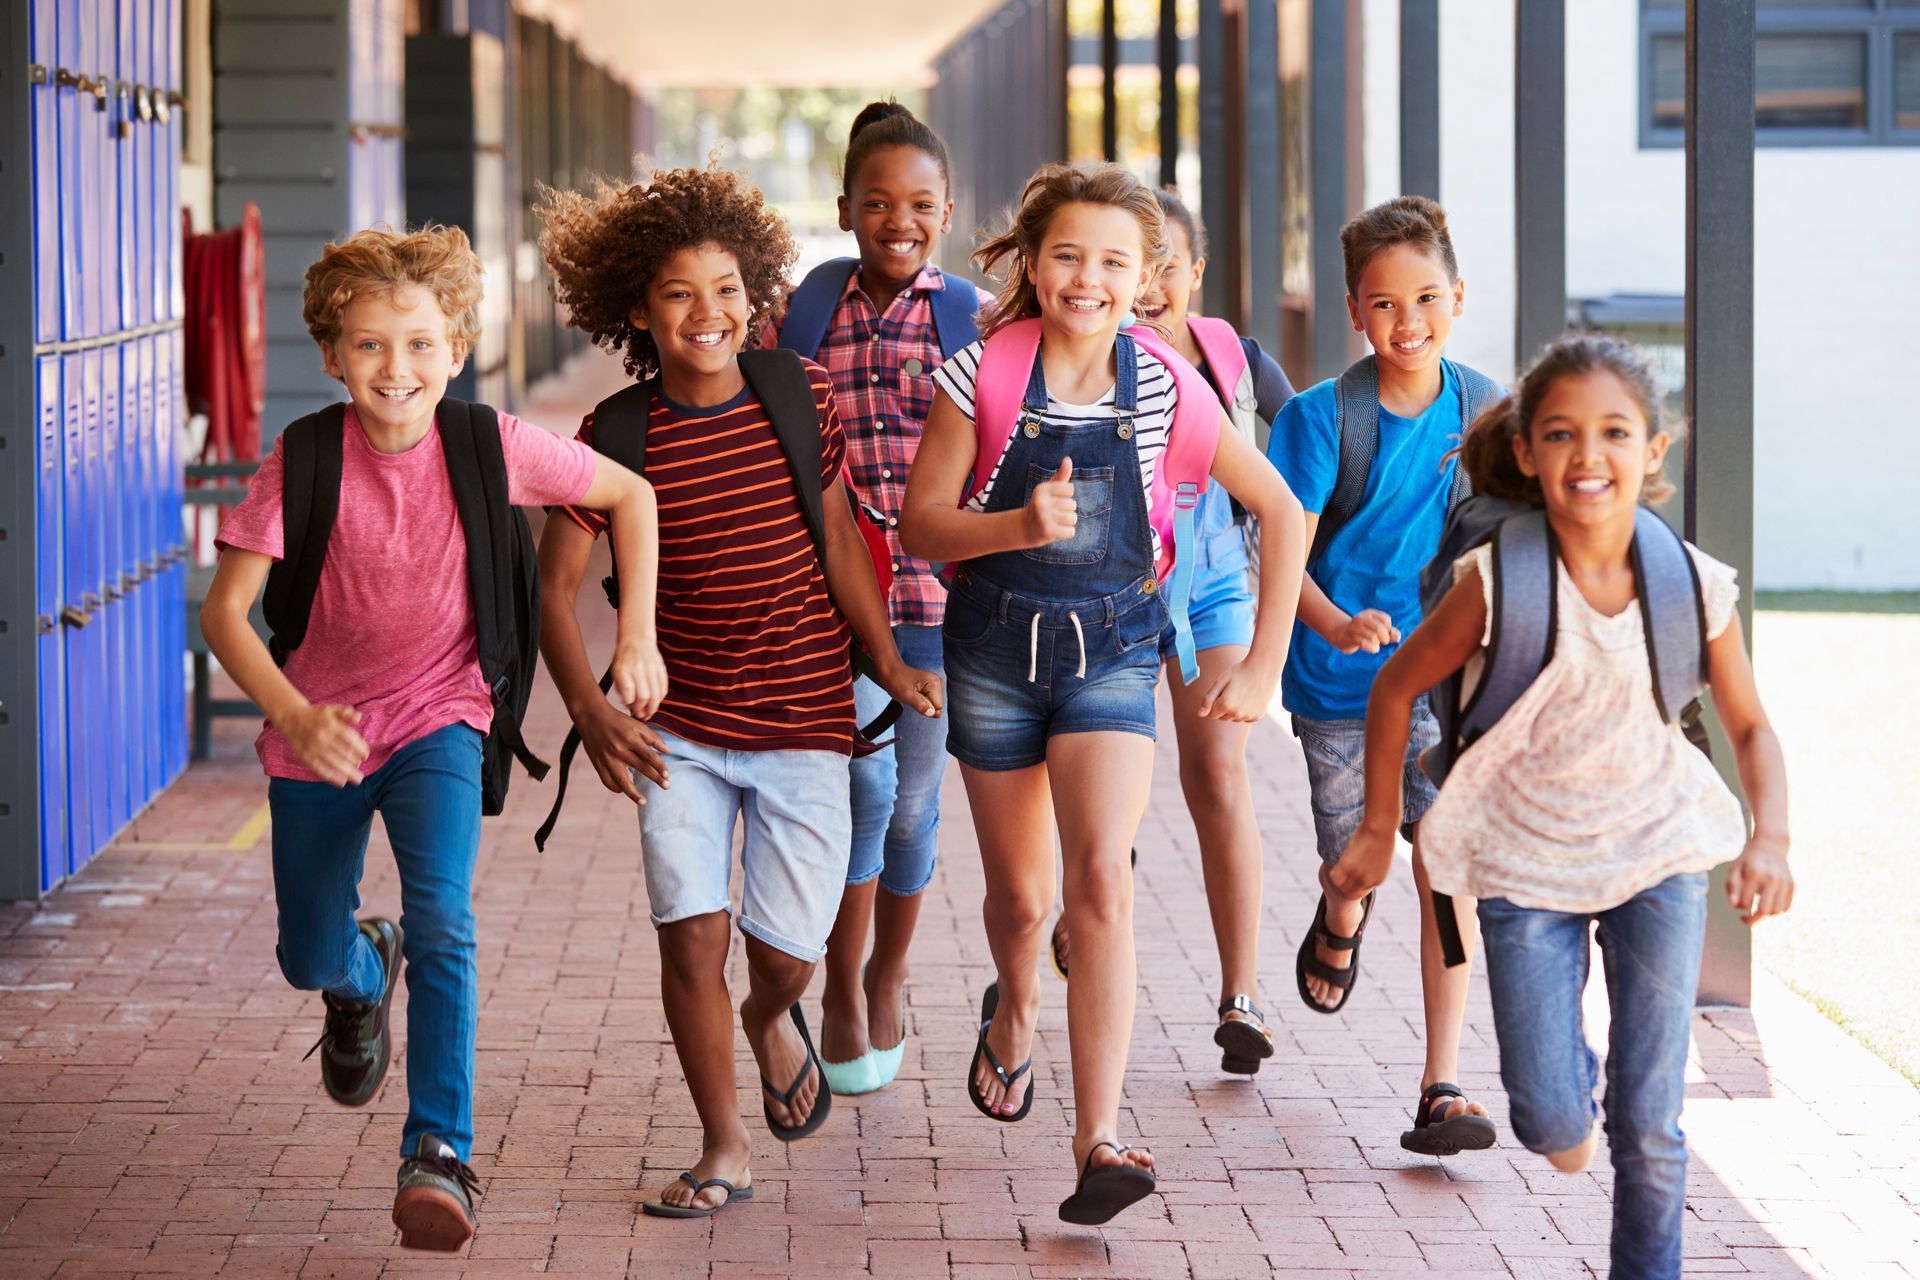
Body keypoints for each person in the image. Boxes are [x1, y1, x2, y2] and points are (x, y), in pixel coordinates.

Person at [200, 225, 665, 1250]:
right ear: (331, 354)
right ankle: (361, 966)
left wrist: (636, 632)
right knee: (305, 951)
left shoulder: (487, 443)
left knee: (445, 917)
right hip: (318, 731)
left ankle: (440, 1149)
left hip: (440, 713)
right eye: (368, 346)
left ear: (457, 346)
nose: (395, 368)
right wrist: (292, 713)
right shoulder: (307, 456)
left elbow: (629, 495)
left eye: (418, 344)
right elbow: (226, 612)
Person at [1329, 333, 1793, 1279]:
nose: (1590, 457)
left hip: (1657, 856)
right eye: (1563, 435)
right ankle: (1565, 1093)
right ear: (1530, 452)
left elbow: (1749, 726)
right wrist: (1378, 829)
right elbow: (1393, 690)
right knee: (1548, 1116)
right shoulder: (1498, 580)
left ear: (1655, 450)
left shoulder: (1692, 585)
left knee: (1650, 1123)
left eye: (1616, 433)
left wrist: (1772, 836)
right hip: (1523, 864)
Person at [900, 161, 1305, 1225]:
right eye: (1070, 255)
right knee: (1026, 902)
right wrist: (1016, 528)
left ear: (1147, 277)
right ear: (1033, 264)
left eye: (1115, 262)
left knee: (1102, 885)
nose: (1090, 278)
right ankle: (1016, 1006)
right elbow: (923, 526)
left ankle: (1098, 1136)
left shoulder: (1167, 383)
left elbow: (1283, 507)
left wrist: (1263, 664)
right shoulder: (979, 374)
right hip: (991, 650)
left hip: (1117, 646)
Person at [535, 165, 942, 1220]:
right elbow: (553, 588)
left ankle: (773, 1014)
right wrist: (588, 706)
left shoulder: (794, 394)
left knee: (783, 957)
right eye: (677, 293)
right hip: (678, 728)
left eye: (724, 289)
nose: (705, 313)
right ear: (637, 307)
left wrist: (887, 660)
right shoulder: (616, 436)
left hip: (806, 714)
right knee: (689, 934)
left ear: (754, 295)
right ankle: (723, 1144)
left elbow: (844, 537)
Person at [1263, 195, 1503, 1156]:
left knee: (1446, 873)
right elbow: (1279, 550)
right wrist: (1334, 621)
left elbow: (1507, 539)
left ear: (1458, 297)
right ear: (1355, 312)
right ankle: (1337, 914)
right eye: (1384, 305)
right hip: (1337, 689)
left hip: (1444, 688)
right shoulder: (1326, 420)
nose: (1409, 324)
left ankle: (1442, 1084)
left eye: (1427, 299)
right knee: (1354, 862)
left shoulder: (1488, 413)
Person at [1048, 188, 1296, 1077]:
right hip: (1108, 586)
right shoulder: (1090, 357)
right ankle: (1089, 899)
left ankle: (1242, 992)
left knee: (1218, 769)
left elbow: (1301, 459)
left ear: (1192, 273)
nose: (1146, 284)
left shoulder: (1235, 360)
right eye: (1130, 263)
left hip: (1215, 584)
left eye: (1165, 266)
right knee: (1104, 780)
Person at [771, 101, 992, 1095]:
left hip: (947, 608)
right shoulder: (808, 315)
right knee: (862, 794)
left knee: (912, 808)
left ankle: (888, 966)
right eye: (875, 202)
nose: (896, 219)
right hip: (843, 603)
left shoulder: (977, 321)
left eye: (917, 203)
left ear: (945, 211)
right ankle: (840, 990)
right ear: (846, 208)